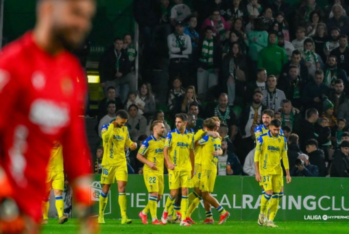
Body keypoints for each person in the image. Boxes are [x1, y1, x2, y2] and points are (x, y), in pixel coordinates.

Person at [0, 0, 97, 233]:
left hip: (31, 213)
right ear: (47, 8)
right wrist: (5, 200)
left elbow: (74, 147)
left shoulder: (72, 73)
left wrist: (87, 209)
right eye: (76, 13)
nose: (83, 24)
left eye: (87, 17)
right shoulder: (12, 64)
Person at [186, 118, 230, 224]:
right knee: (200, 192)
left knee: (204, 194)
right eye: (216, 126)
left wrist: (204, 132)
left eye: (218, 127)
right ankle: (207, 217)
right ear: (213, 126)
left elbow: (192, 143)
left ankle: (222, 211)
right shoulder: (216, 137)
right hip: (204, 167)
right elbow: (218, 148)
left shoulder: (207, 137)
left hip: (206, 167)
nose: (217, 129)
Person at [98, 110, 138, 224]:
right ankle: (100, 215)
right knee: (106, 188)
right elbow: (105, 138)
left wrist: (132, 145)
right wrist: (112, 126)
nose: (124, 124)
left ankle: (124, 216)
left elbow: (128, 141)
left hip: (121, 162)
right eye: (122, 122)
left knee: (122, 187)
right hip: (108, 163)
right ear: (117, 119)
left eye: (125, 122)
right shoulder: (106, 127)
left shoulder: (125, 129)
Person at [254, 119, 291, 227]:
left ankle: (270, 220)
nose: (276, 132)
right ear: (270, 127)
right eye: (274, 129)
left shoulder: (282, 140)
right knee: (268, 193)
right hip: (265, 170)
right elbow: (256, 156)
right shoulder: (262, 138)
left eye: (278, 130)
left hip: (278, 171)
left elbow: (284, 157)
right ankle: (262, 213)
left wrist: (287, 173)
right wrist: (257, 172)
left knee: (278, 195)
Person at [161, 114, 195, 226]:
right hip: (174, 168)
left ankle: (184, 219)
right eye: (176, 122)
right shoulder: (171, 134)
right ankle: (165, 212)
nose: (177, 124)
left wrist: (193, 168)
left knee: (185, 191)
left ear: (185, 123)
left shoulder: (190, 135)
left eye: (179, 122)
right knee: (174, 193)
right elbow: (165, 151)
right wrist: (169, 163)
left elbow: (192, 153)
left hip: (186, 168)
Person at [137, 120, 166, 225]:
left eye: (164, 127)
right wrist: (148, 163)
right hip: (150, 171)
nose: (164, 129)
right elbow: (139, 155)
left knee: (159, 197)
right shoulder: (147, 142)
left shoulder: (163, 141)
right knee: (154, 194)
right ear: (155, 129)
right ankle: (154, 219)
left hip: (160, 172)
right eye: (162, 127)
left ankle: (144, 213)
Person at [99, 37, 136, 103]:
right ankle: (109, 105)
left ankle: (134, 97)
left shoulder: (124, 54)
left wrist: (122, 73)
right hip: (111, 78)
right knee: (108, 93)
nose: (119, 45)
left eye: (121, 44)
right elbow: (101, 67)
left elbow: (128, 67)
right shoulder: (107, 53)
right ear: (114, 44)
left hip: (121, 77)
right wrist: (102, 80)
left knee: (132, 77)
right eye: (117, 43)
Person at [42, 143, 68, 225]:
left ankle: (61, 216)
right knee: (45, 195)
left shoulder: (60, 134)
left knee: (58, 193)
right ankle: (45, 218)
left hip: (58, 170)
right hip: (46, 169)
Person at [197, 26, 222, 98]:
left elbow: (219, 58)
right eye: (207, 32)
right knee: (201, 89)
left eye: (210, 32)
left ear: (212, 33)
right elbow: (196, 56)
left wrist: (217, 67)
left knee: (212, 88)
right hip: (203, 68)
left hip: (213, 69)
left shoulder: (216, 45)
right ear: (205, 33)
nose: (208, 34)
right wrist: (198, 66)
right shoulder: (201, 43)